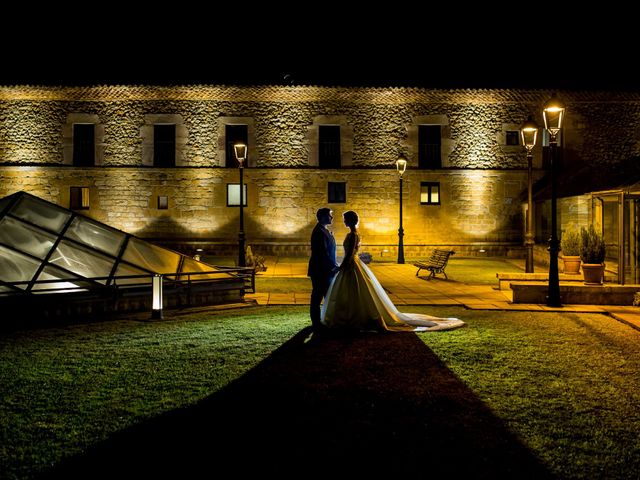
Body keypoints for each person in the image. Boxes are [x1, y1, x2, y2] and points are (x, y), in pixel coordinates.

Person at [321, 211, 465, 332]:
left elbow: (350, 254)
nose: (343, 221)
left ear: (350, 220)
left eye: (345, 219)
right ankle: (355, 317)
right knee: (356, 292)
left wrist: (340, 266)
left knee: (352, 292)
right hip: (353, 264)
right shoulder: (355, 234)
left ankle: (352, 318)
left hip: (351, 265)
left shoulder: (352, 235)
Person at [308, 208, 340, 332]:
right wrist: (333, 266)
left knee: (326, 294)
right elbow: (323, 252)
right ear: (322, 217)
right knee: (318, 295)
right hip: (320, 269)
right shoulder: (319, 232)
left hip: (325, 269)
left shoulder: (323, 230)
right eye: (329, 216)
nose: (331, 218)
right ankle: (316, 321)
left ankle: (325, 319)